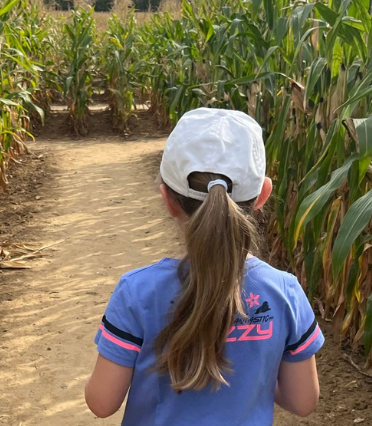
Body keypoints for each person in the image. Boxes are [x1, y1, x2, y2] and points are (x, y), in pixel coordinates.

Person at [85, 108, 323, 425]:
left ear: (167, 199)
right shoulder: (285, 293)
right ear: (262, 196)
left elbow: (102, 402)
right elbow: (303, 400)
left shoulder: (136, 293)